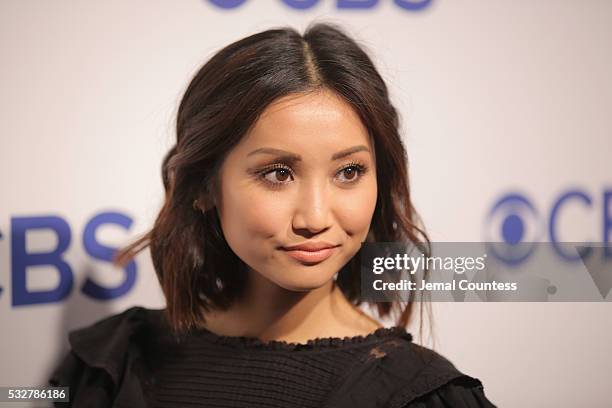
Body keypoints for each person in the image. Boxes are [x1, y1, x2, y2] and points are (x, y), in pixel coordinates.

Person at [48, 22, 497, 407]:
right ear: (205, 185)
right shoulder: (112, 362)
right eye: (278, 173)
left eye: (349, 171)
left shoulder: (420, 395)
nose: (315, 216)